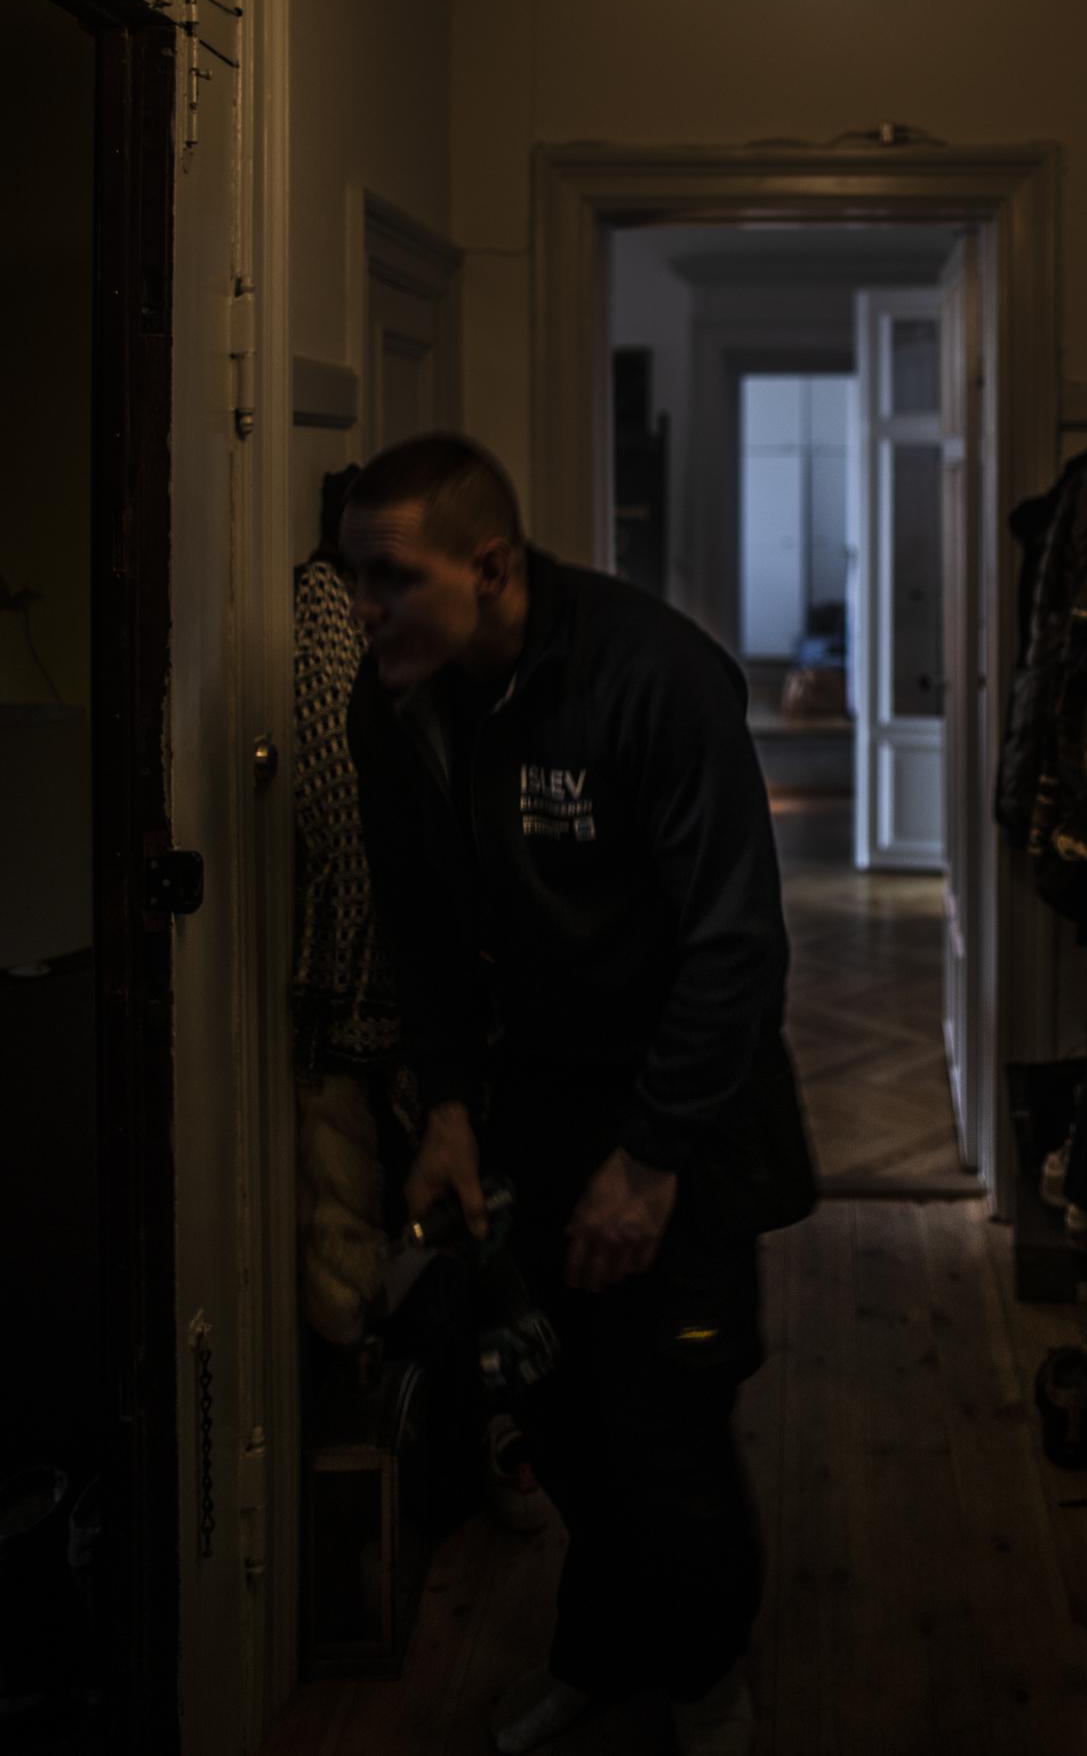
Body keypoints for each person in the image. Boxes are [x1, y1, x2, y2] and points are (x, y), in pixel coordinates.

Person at [340, 433, 815, 1755]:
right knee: (557, 1414)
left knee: (669, 1430)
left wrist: (649, 1162)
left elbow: (737, 945)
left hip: (684, 1113)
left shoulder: (651, 676)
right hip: (528, 1113)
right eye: (354, 576)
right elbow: (420, 931)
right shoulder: (396, 702)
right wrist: (447, 1106)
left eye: (392, 578)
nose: (363, 609)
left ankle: (706, 1684)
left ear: (490, 568)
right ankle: (599, 1655)